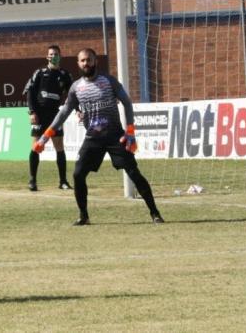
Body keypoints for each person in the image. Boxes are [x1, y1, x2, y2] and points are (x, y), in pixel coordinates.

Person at [33, 48, 164, 226]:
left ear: (95, 62)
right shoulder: (76, 87)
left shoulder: (108, 81)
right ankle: (83, 216)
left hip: (115, 136)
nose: (86, 63)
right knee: (78, 174)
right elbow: (63, 113)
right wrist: (44, 137)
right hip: (92, 138)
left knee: (134, 173)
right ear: (78, 63)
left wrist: (130, 130)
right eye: (82, 61)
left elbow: (126, 102)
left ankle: (155, 213)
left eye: (89, 60)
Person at [25, 45, 73, 191]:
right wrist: (32, 112)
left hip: (55, 117)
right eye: (51, 54)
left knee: (59, 148)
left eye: (56, 54)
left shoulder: (65, 75)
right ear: (47, 57)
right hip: (39, 116)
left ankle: (63, 181)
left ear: (60, 56)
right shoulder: (39, 73)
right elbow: (30, 93)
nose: (53, 56)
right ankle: (32, 181)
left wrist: (76, 109)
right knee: (36, 147)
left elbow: (73, 94)